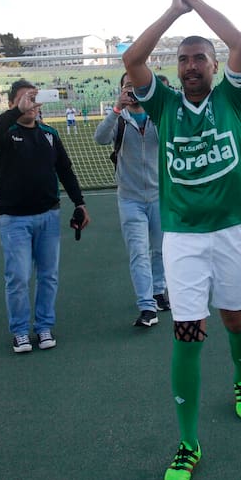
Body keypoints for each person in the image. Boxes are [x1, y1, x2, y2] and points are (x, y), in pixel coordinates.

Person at [123, 0, 241, 480]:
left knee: (235, 320)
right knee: (187, 333)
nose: (190, 66)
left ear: (212, 64)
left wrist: (197, 2)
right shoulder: (161, 105)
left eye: (199, 57)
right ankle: (187, 442)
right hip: (182, 236)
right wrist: (172, 10)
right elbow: (133, 58)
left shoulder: (232, 96)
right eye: (183, 60)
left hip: (231, 228)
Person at [0, 79, 90, 354]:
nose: (31, 103)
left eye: (33, 97)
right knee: (17, 276)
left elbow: (65, 170)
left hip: (48, 217)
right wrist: (15, 112)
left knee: (48, 276)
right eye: (24, 99)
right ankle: (19, 331)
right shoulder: (5, 134)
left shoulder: (49, 134)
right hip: (14, 219)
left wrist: (79, 203)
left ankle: (43, 327)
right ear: (12, 104)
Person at [94, 73, 169, 328]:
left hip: (160, 195)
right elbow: (101, 138)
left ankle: (159, 292)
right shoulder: (120, 119)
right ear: (121, 89)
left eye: (137, 87)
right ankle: (147, 306)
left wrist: (154, 109)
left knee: (160, 249)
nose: (133, 91)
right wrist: (117, 108)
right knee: (139, 252)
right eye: (128, 86)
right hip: (130, 198)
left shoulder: (155, 115)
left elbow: (168, 141)